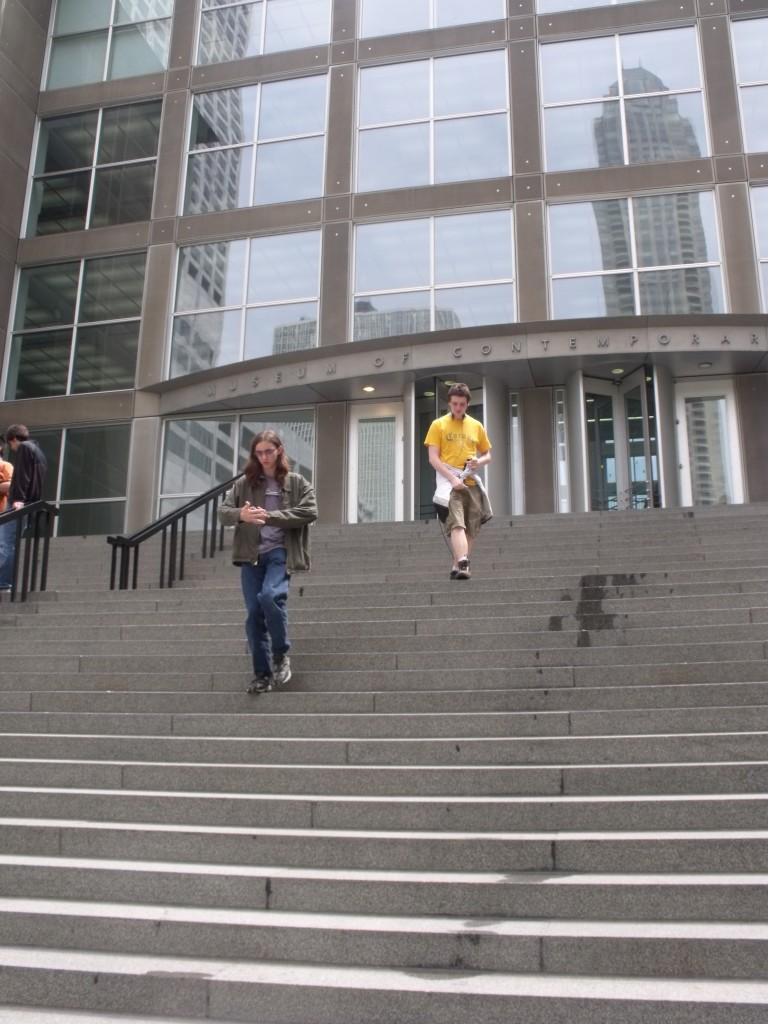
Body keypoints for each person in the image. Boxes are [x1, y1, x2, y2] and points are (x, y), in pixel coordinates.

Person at [218, 430, 317, 694]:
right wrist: (242, 514)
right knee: (253, 615)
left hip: (280, 552)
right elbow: (223, 513)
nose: (264, 457)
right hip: (251, 556)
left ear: (279, 451)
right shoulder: (245, 483)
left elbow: (310, 511)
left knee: (270, 596)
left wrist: (270, 517)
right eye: (258, 453)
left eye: (268, 451)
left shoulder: (296, 482)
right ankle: (261, 674)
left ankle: (280, 654)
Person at [424, 383, 492, 580]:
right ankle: (463, 561)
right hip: (450, 483)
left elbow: (488, 454)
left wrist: (478, 461)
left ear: (467, 404)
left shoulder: (476, 426)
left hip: (470, 482)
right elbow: (433, 458)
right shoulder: (438, 425)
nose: (458, 408)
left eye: (462, 404)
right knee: (457, 524)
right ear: (449, 403)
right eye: (455, 404)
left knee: (471, 526)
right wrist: (453, 479)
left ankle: (457, 564)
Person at [0, 425, 47, 591]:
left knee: (6, 543)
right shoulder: (37, 451)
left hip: (20, 502)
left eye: (11, 445)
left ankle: (3, 582)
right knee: (9, 543)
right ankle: (5, 582)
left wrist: (18, 499)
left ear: (13, 439)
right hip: (31, 502)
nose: (12, 449)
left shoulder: (24, 448)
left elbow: (22, 475)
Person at [0, 441, 14, 592]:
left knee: (3, 548)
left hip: (2, 515)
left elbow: (10, 484)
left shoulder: (6, 466)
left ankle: (4, 583)